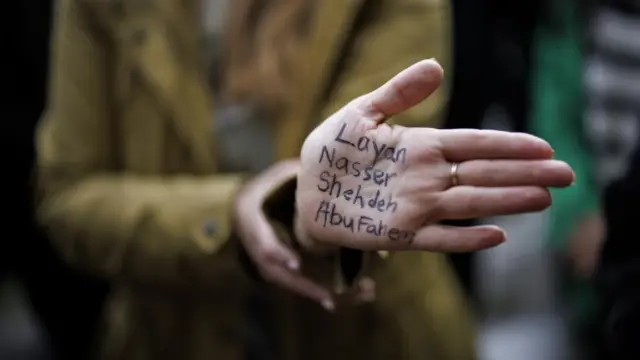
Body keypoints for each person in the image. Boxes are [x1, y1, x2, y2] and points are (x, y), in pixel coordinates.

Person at [35, 1, 575, 360]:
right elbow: (68, 198)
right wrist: (235, 212)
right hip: (169, 334)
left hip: (373, 336)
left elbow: (371, 163)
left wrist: (300, 211)